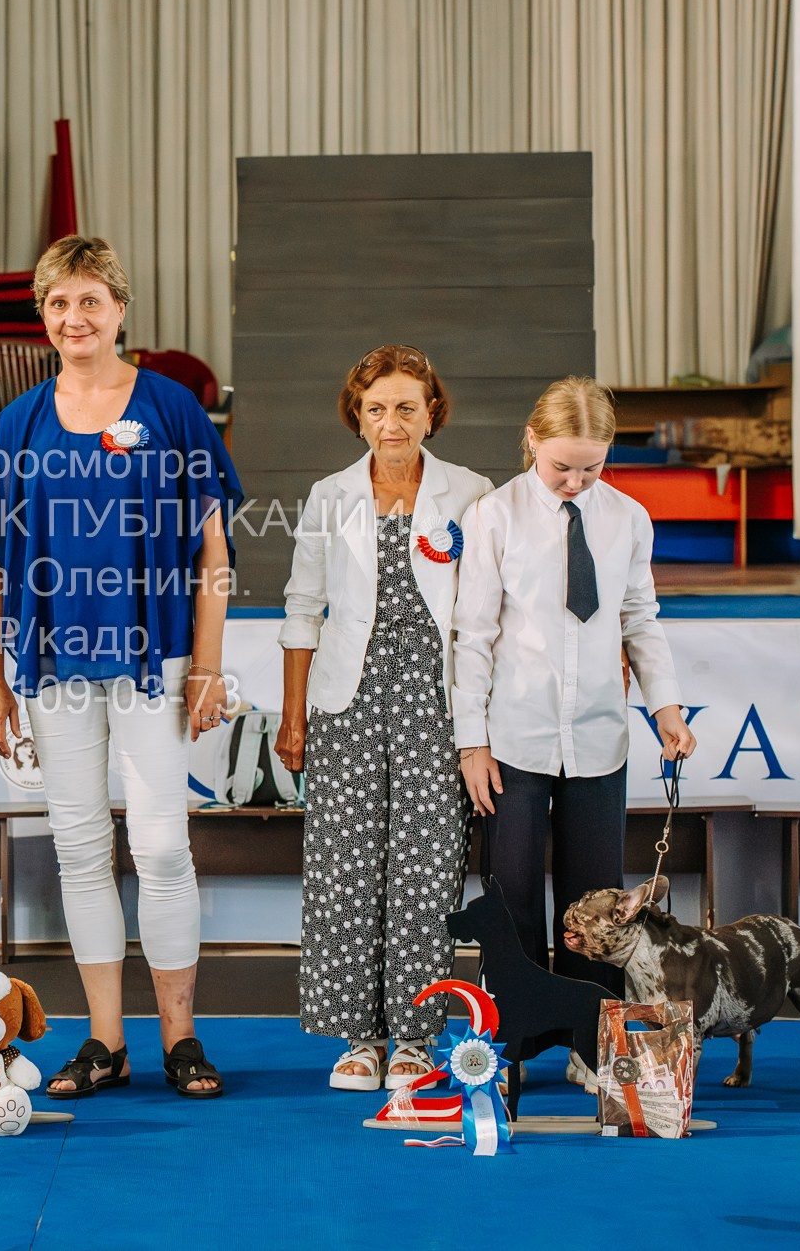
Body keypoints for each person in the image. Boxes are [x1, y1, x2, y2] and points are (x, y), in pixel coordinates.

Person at [0, 235, 242, 1099]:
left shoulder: (170, 408)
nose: (74, 317)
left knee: (162, 846)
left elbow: (213, 553)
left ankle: (182, 1039)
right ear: (43, 317)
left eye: (90, 300)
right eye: (57, 304)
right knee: (81, 849)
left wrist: (207, 666)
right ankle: (106, 1042)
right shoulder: (18, 422)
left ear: (120, 308)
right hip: (51, 662)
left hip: (155, 656)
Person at [274, 345, 493, 1092]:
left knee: (428, 870)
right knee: (344, 867)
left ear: (433, 411)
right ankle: (359, 1038)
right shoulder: (328, 495)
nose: (391, 421)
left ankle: (416, 1037)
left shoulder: (471, 492)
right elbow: (302, 611)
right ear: (356, 417)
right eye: (376, 408)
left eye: (407, 406)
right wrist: (293, 715)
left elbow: (492, 607)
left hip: (438, 696)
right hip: (348, 696)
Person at [451, 376, 696, 1004]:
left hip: (598, 737)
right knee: (512, 897)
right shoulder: (493, 515)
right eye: (562, 467)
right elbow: (473, 636)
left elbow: (640, 619)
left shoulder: (628, 519)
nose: (575, 482)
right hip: (512, 738)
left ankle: (595, 1038)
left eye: (592, 468)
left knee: (600, 905)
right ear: (532, 441)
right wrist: (470, 743)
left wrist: (666, 708)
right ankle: (510, 1042)